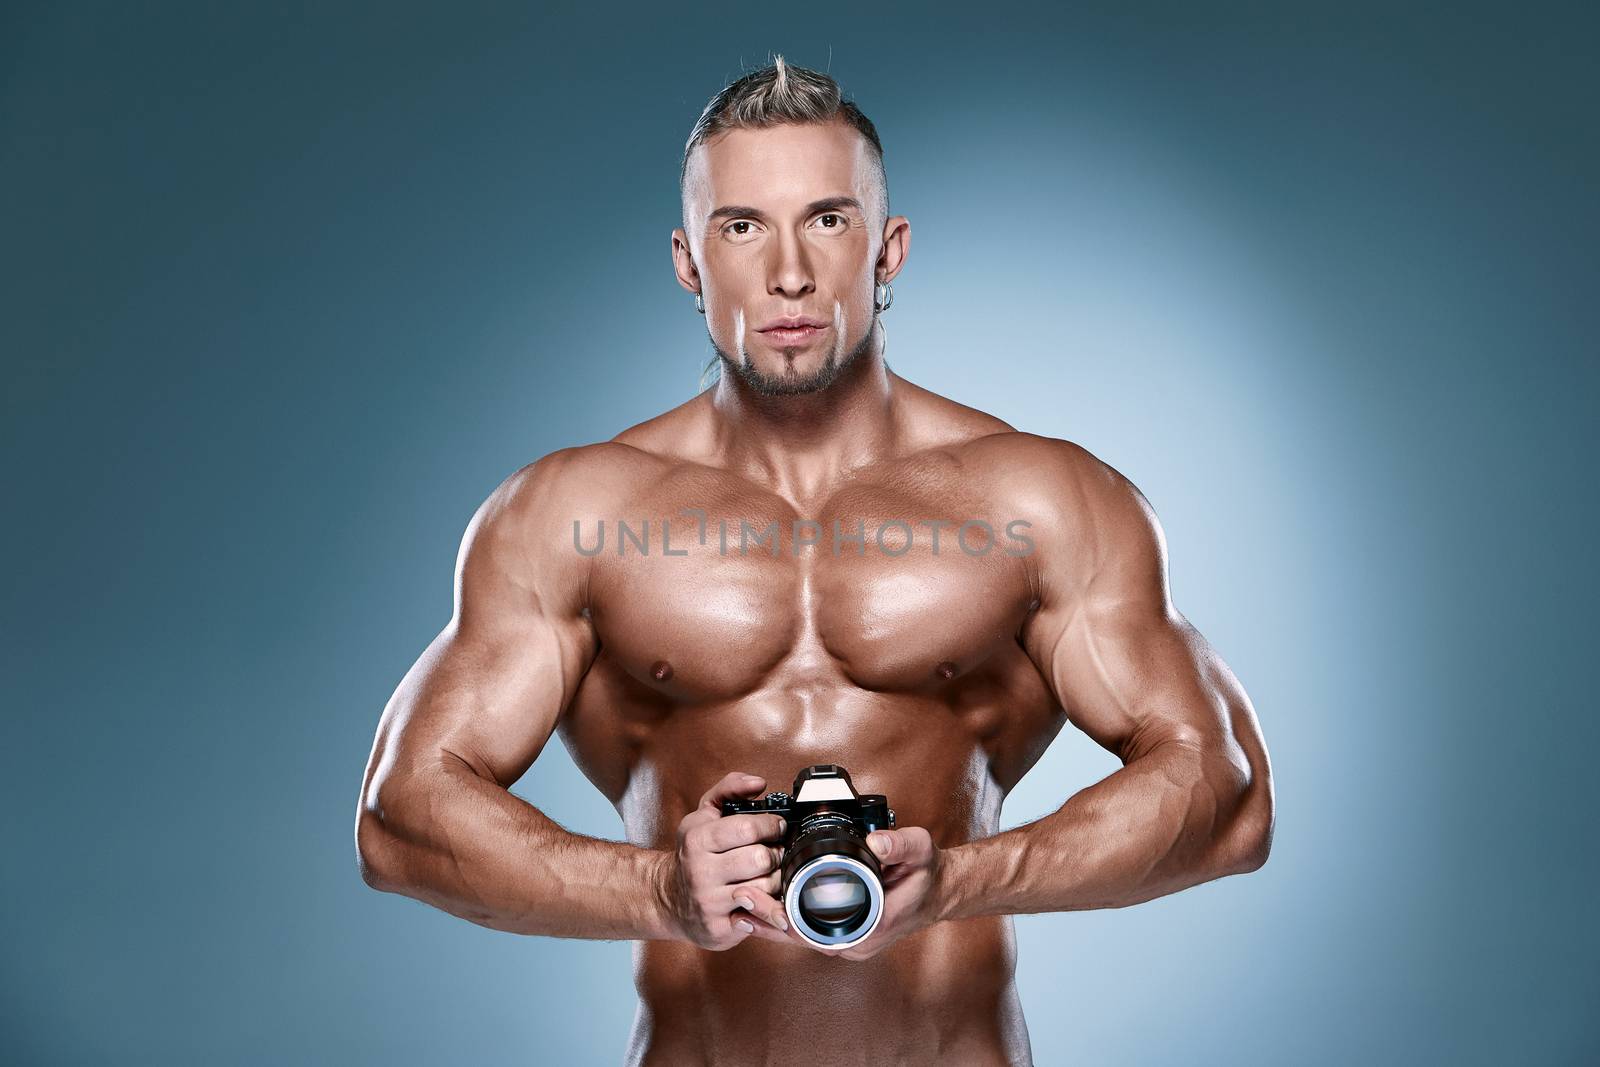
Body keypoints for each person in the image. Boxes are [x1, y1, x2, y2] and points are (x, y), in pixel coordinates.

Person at [355, 55, 1274, 1067]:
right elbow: (401, 819)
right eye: (741, 225)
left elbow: (1225, 796)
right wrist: (655, 887)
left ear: (888, 249)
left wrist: (962, 879)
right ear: (687, 260)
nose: (787, 271)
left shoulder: (1038, 503)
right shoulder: (571, 516)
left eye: (827, 220)